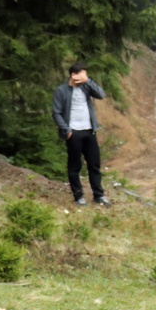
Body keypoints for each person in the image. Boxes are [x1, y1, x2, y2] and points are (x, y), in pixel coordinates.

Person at [52, 62, 108, 205]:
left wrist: (88, 81)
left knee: (94, 165)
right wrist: (67, 130)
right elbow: (56, 113)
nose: (85, 77)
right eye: (83, 74)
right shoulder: (61, 90)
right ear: (73, 75)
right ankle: (79, 197)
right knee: (74, 166)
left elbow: (101, 95)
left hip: (90, 131)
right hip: (74, 132)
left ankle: (99, 195)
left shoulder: (86, 88)